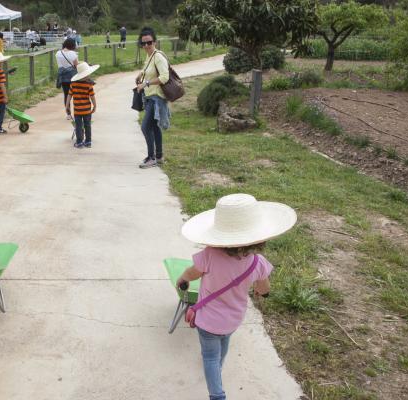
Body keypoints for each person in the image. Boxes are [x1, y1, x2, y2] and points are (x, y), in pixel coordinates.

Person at [176, 193, 296, 400]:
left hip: (207, 321)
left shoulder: (209, 255)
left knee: (209, 356)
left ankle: (217, 394)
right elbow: (264, 289)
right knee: (223, 345)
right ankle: (218, 371)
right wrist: (262, 293)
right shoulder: (257, 263)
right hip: (233, 320)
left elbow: (191, 273)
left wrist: (182, 280)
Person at [135, 27, 170, 169]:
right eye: (143, 43)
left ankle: (151, 157)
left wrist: (146, 83)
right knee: (155, 128)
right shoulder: (149, 56)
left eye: (149, 42)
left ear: (154, 41)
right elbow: (148, 69)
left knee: (145, 127)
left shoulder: (158, 56)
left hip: (156, 97)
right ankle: (159, 156)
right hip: (150, 96)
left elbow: (165, 77)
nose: (146, 46)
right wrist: (140, 74)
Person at [66, 62, 99, 148]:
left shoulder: (73, 84)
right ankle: (88, 142)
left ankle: (79, 142)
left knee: (78, 126)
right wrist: (95, 106)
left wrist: (67, 105)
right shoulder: (89, 85)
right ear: (85, 75)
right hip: (87, 110)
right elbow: (92, 97)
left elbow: (69, 95)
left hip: (77, 110)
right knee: (87, 125)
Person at [56, 38, 79, 109]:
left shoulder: (58, 53)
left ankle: (68, 114)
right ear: (72, 45)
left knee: (66, 95)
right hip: (72, 76)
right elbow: (76, 65)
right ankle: (77, 111)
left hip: (62, 76)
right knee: (75, 94)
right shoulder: (73, 54)